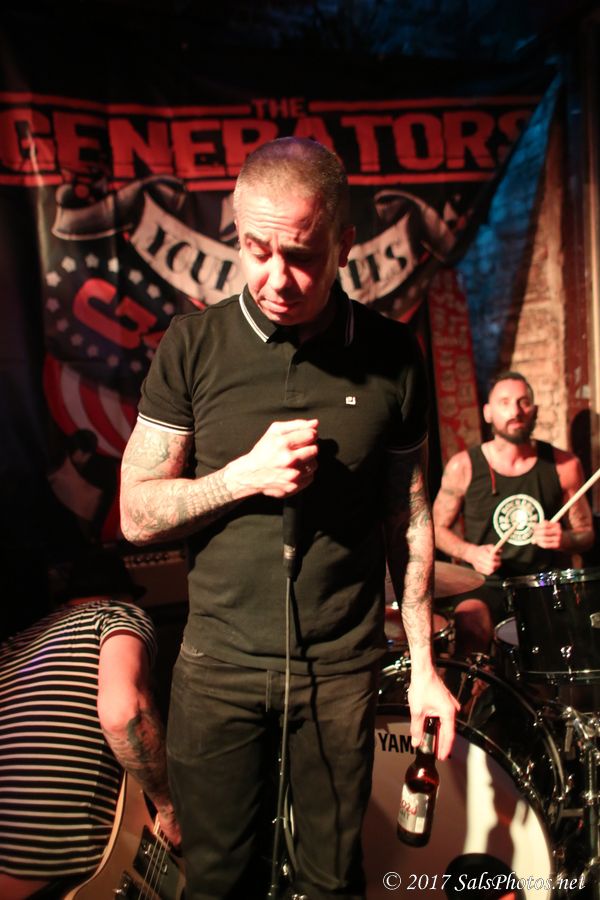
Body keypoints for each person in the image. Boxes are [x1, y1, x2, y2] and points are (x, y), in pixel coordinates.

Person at [120, 136, 458, 900]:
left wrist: (424, 670)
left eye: (301, 256)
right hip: (218, 666)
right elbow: (136, 514)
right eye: (255, 249)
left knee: (332, 880)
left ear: (345, 243)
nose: (276, 278)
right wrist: (240, 478)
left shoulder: (393, 355)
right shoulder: (193, 345)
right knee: (218, 883)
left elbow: (407, 517)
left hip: (340, 670)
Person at [0, 548, 181, 900]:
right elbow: (125, 714)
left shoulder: (11, 648)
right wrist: (170, 810)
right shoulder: (115, 615)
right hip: (58, 871)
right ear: (124, 595)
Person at [433, 371, 594, 655]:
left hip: (542, 584)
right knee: (471, 627)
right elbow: (435, 528)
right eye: (505, 402)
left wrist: (564, 539)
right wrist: (471, 553)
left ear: (535, 410)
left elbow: (586, 535)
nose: (516, 411)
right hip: (484, 583)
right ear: (488, 412)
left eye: (523, 402)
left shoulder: (564, 465)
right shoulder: (464, 466)